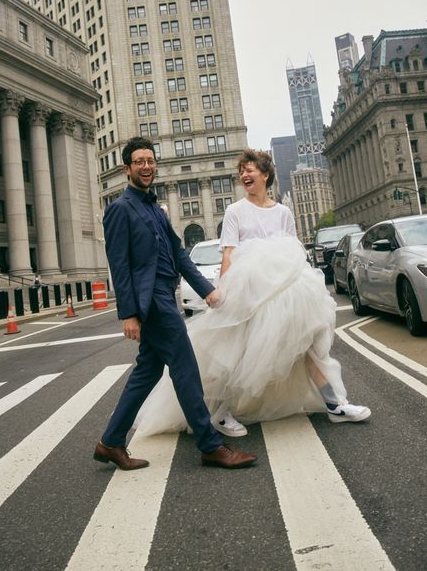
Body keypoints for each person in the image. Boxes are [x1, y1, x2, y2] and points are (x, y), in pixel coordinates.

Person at [134, 149, 371, 439]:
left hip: (285, 291)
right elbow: (229, 253)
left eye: (250, 170)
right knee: (237, 351)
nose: (245, 175)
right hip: (249, 293)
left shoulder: (283, 212)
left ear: (266, 174)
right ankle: (223, 412)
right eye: (242, 171)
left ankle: (336, 405)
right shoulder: (235, 211)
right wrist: (221, 290)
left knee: (305, 344)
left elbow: (293, 249)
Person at [93, 136, 257, 471]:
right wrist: (128, 314)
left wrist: (207, 290)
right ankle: (210, 445)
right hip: (151, 300)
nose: (147, 166)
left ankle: (110, 442)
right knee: (185, 368)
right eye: (139, 161)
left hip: (165, 295)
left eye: (150, 160)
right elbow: (120, 265)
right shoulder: (120, 210)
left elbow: (179, 254)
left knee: (147, 372)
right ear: (127, 169)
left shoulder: (154, 208)